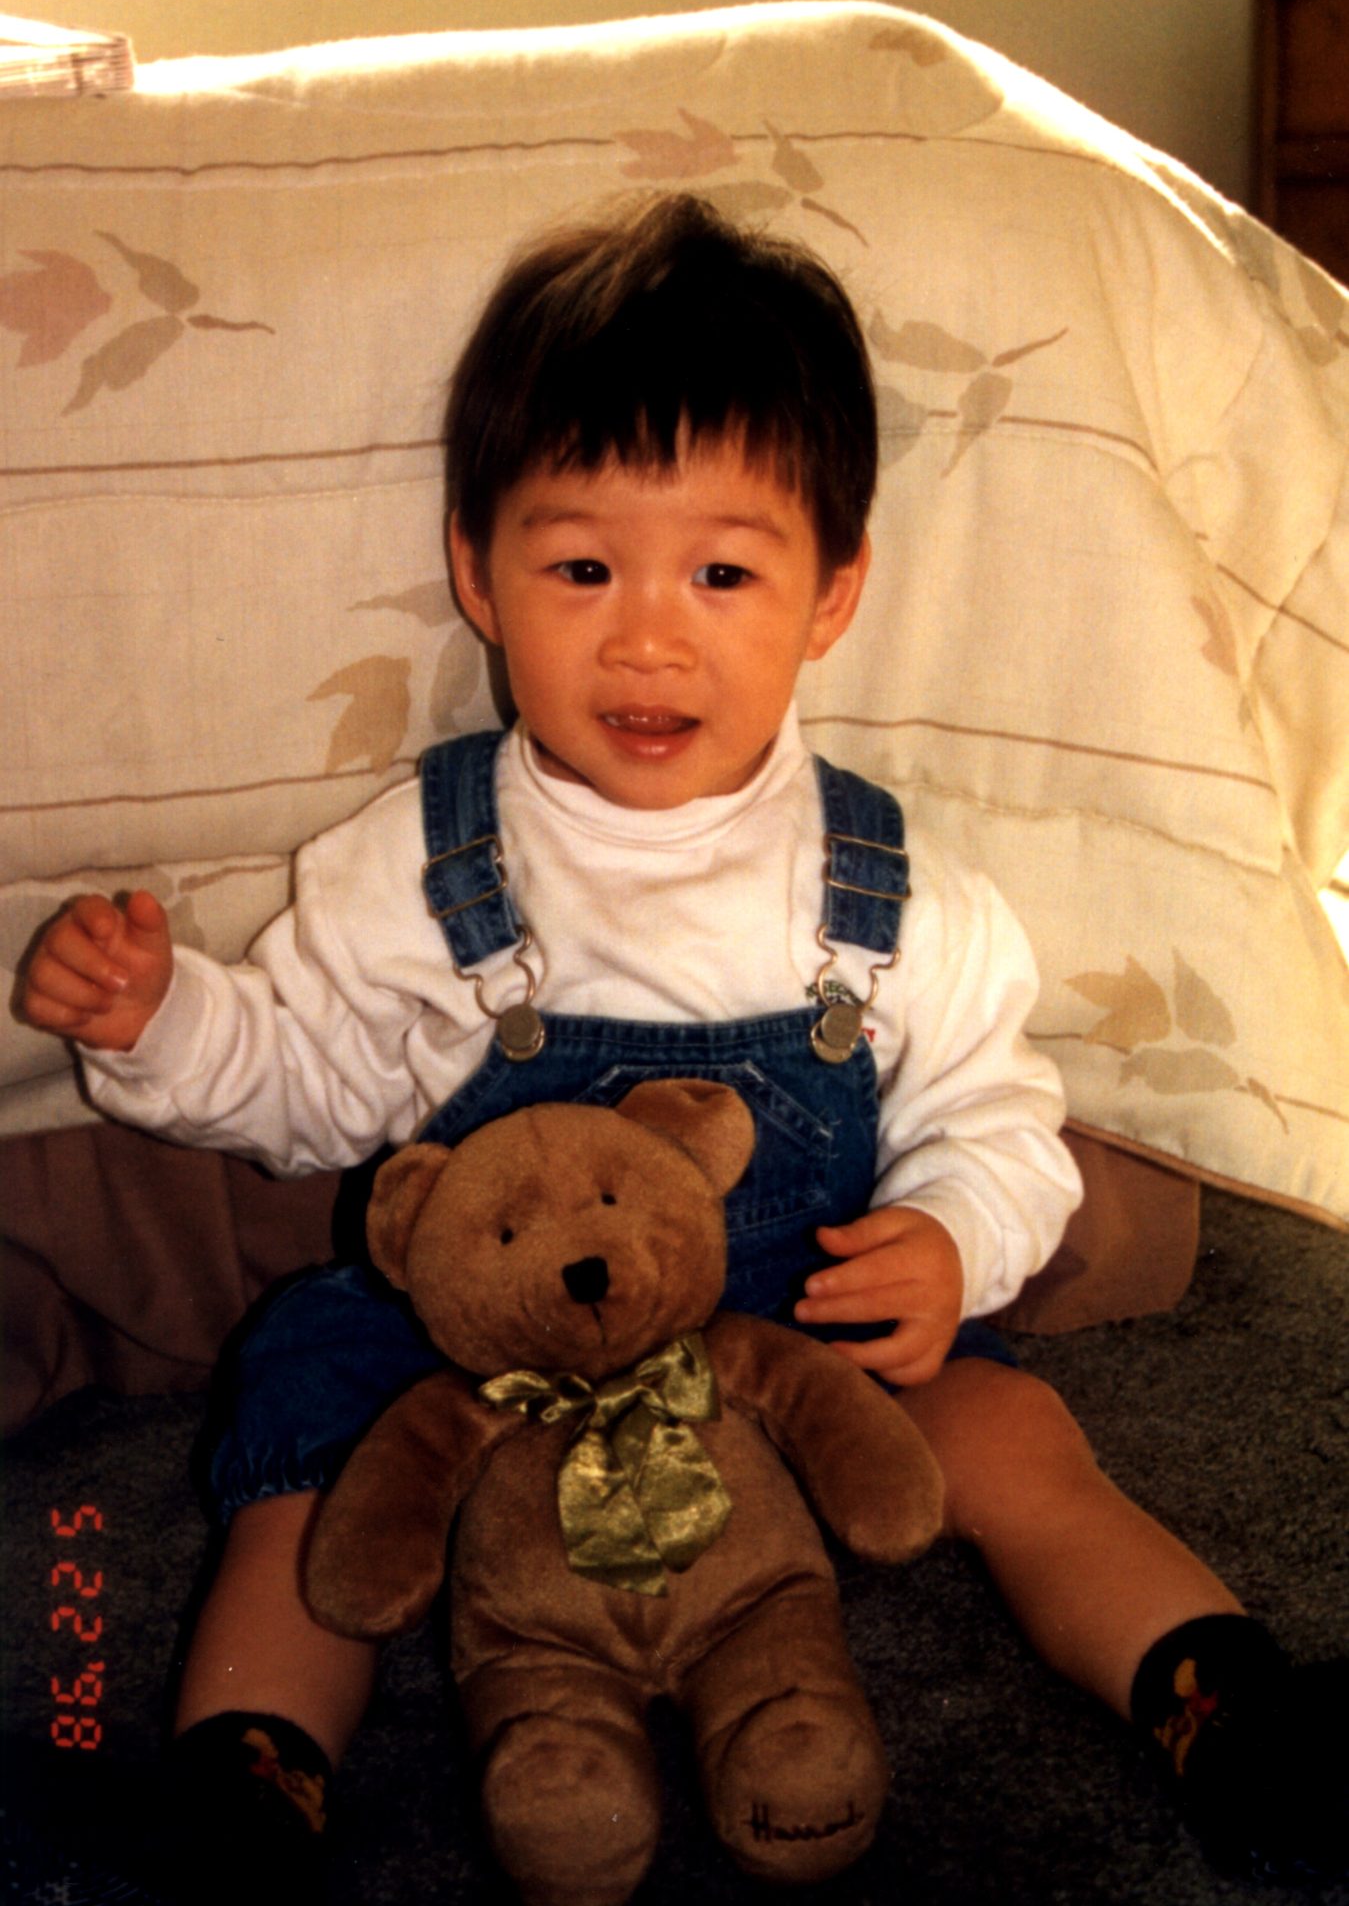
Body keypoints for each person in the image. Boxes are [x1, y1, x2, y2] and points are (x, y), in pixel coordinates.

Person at [20, 193, 1345, 1900]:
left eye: (722, 574)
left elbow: (994, 1117)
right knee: (306, 1444)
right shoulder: (415, 863)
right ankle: (250, 1768)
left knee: (1012, 1431)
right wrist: (164, 1021)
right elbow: (310, 1089)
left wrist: (953, 1235)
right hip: (467, 1355)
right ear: (476, 573)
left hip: (783, 1335)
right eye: (582, 569)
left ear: (830, 594)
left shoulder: (889, 889)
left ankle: (1218, 1698)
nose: (646, 637)